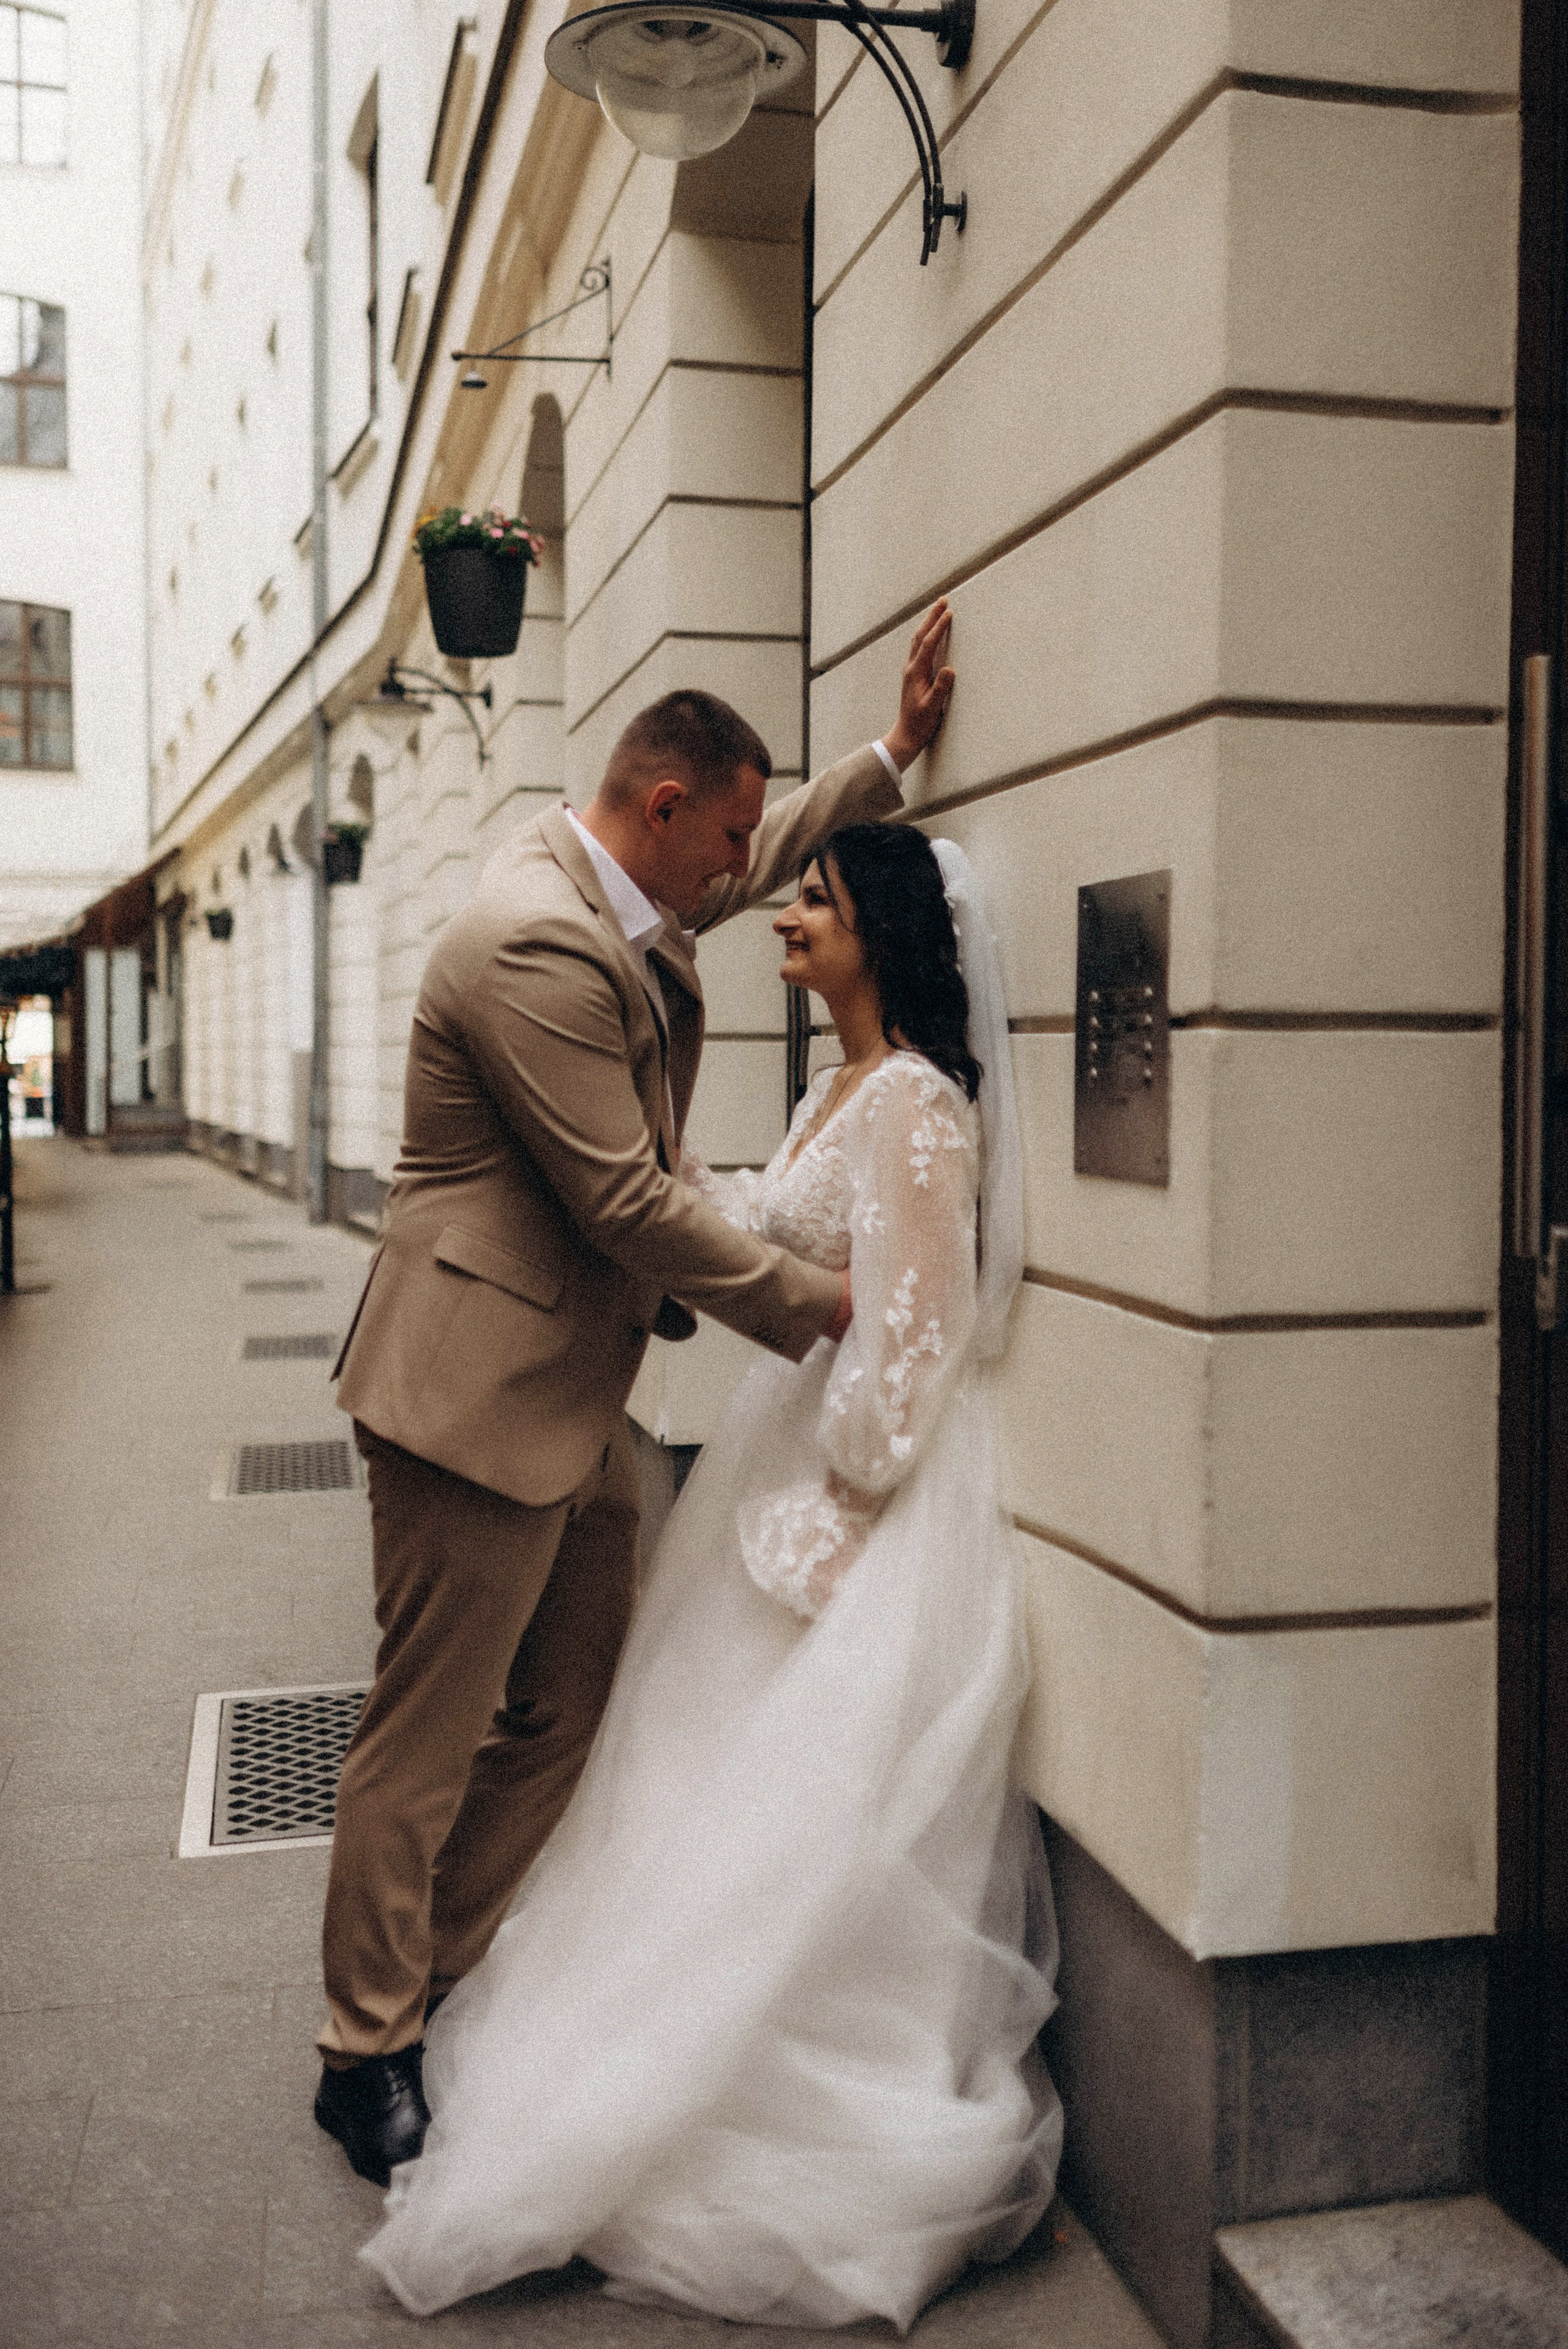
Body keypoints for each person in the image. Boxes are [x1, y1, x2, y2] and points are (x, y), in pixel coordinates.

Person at [358, 823, 1064, 2331]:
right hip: (775, 1451)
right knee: (684, 1782)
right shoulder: (836, 1090)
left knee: (792, 1815)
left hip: (855, 1497)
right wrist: (684, 1184)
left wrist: (843, 1503)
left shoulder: (920, 1107)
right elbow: (773, 1225)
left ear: (880, 930)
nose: (782, 917)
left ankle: (771, 2094)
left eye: (810, 897)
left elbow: (916, 1339)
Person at [314, 606, 957, 2190]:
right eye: (728, 837)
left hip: (571, 1386)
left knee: (573, 1701)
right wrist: (821, 1306)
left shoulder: (633, 878)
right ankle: (363, 2047)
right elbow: (623, 1200)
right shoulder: (531, 938)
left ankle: (446, 1972)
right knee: (431, 1727)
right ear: (658, 809)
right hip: (472, 1390)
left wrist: (885, 762)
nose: (744, 878)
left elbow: (765, 848)